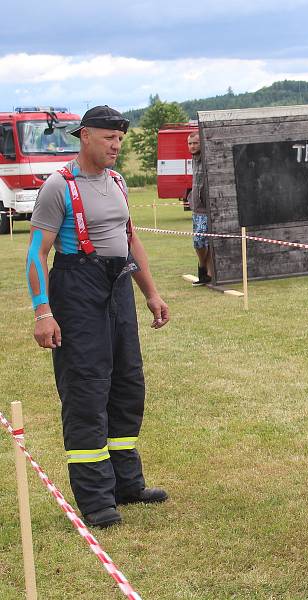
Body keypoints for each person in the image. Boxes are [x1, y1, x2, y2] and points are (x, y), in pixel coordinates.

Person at [26, 105, 170, 528]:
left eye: (121, 139)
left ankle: (127, 484)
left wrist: (152, 294)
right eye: (109, 138)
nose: (116, 146)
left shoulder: (119, 182)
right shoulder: (58, 186)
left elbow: (131, 240)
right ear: (85, 135)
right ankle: (95, 499)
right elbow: (37, 253)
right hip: (76, 288)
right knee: (87, 389)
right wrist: (42, 312)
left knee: (127, 383)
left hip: (117, 287)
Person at [187, 131, 212, 285]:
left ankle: (206, 273)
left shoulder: (206, 157)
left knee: (208, 242)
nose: (192, 146)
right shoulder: (194, 159)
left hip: (208, 208)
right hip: (197, 209)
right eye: (190, 143)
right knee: (199, 243)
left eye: (195, 143)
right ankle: (203, 268)